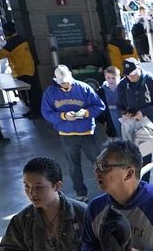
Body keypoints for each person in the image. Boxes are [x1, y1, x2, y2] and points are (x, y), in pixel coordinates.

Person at [41, 64, 107, 200]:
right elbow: (46, 112)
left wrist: (86, 112)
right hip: (67, 135)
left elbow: (100, 105)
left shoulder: (84, 88)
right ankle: (80, 193)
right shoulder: (50, 92)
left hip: (87, 132)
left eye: (67, 81)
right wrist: (63, 116)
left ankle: (107, 187)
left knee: (98, 162)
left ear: (71, 75)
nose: (65, 84)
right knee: (73, 165)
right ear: (56, 80)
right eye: (62, 82)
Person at [117, 59, 153, 197]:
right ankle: (143, 187)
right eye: (128, 74)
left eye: (133, 73)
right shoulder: (123, 85)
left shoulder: (151, 80)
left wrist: (143, 113)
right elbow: (119, 105)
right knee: (143, 158)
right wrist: (124, 113)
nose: (131, 76)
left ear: (139, 68)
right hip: (137, 129)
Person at [0, 24, 39, 117]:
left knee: (30, 93)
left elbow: (0, 55)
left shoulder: (14, 42)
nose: (3, 33)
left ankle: (35, 112)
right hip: (26, 69)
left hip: (24, 70)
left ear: (8, 31)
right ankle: (33, 111)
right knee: (30, 93)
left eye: (4, 31)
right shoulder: (19, 38)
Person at [99, 65, 123, 139]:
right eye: (108, 78)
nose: (111, 80)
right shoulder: (101, 91)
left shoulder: (124, 89)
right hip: (111, 120)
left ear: (119, 77)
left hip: (124, 118)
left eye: (113, 78)